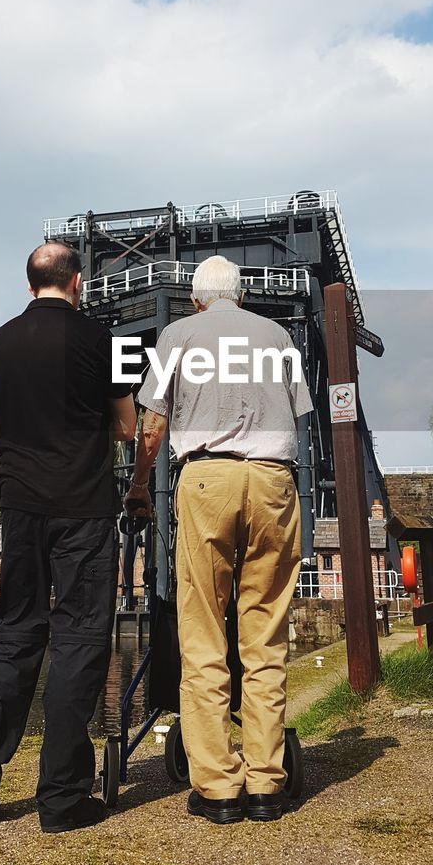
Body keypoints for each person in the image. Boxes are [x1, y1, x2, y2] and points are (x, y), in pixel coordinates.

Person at [0, 242, 136, 833]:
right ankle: (61, 797)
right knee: (79, 641)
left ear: (30, 284)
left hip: (21, 508)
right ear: (77, 282)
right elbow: (129, 426)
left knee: (15, 637)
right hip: (82, 508)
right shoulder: (101, 341)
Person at [126, 255, 313, 824]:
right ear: (242, 296)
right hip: (274, 480)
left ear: (197, 299)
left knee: (204, 629)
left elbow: (152, 425)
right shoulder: (278, 335)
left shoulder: (178, 335)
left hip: (207, 478)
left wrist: (138, 485)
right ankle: (265, 782)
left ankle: (217, 787)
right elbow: (299, 414)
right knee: (265, 632)